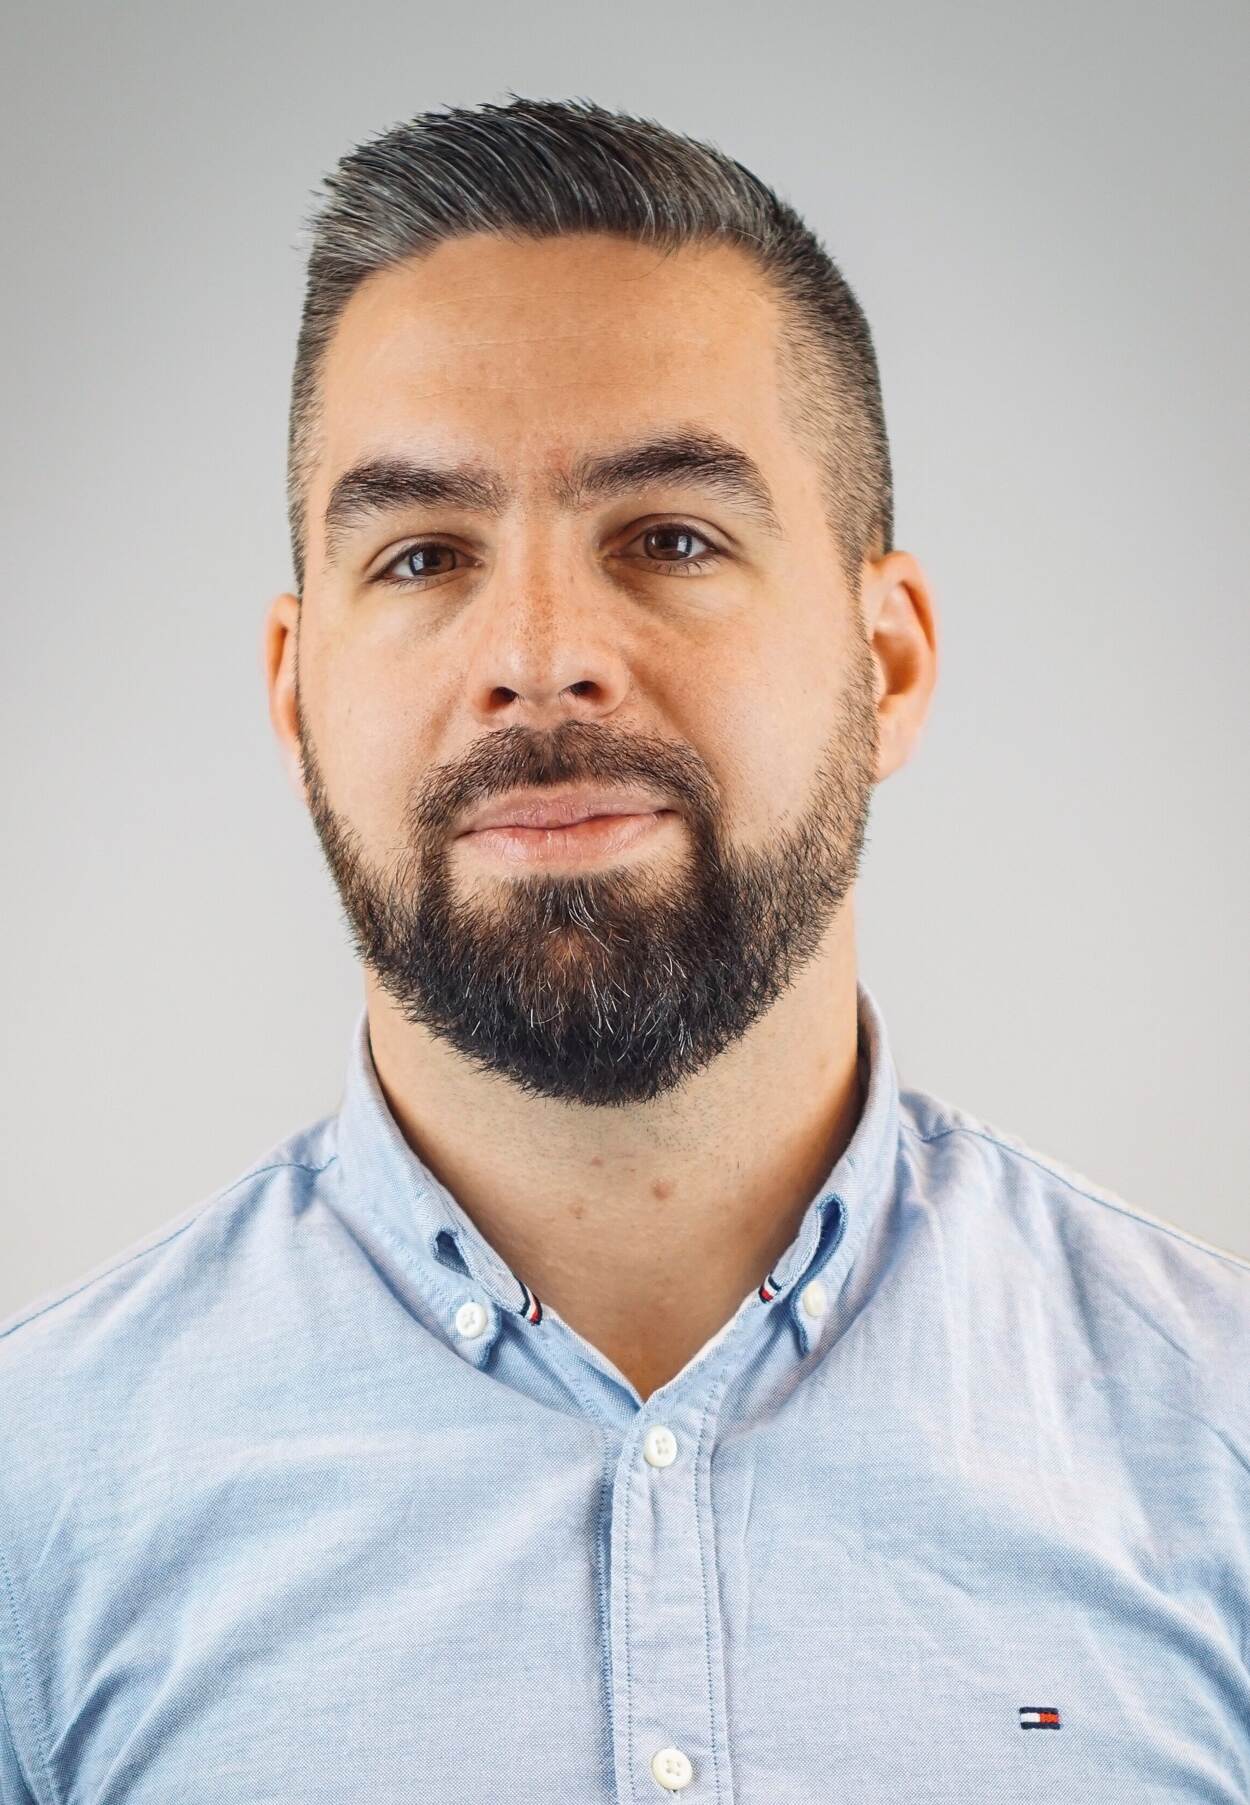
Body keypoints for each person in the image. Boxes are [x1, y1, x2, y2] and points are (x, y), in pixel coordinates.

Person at [1, 96, 1246, 1805]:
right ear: (295, 700)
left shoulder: (1219, 1442)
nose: (537, 653)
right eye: (422, 555)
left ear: (885, 662)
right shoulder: (37, 1499)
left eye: (668, 537)